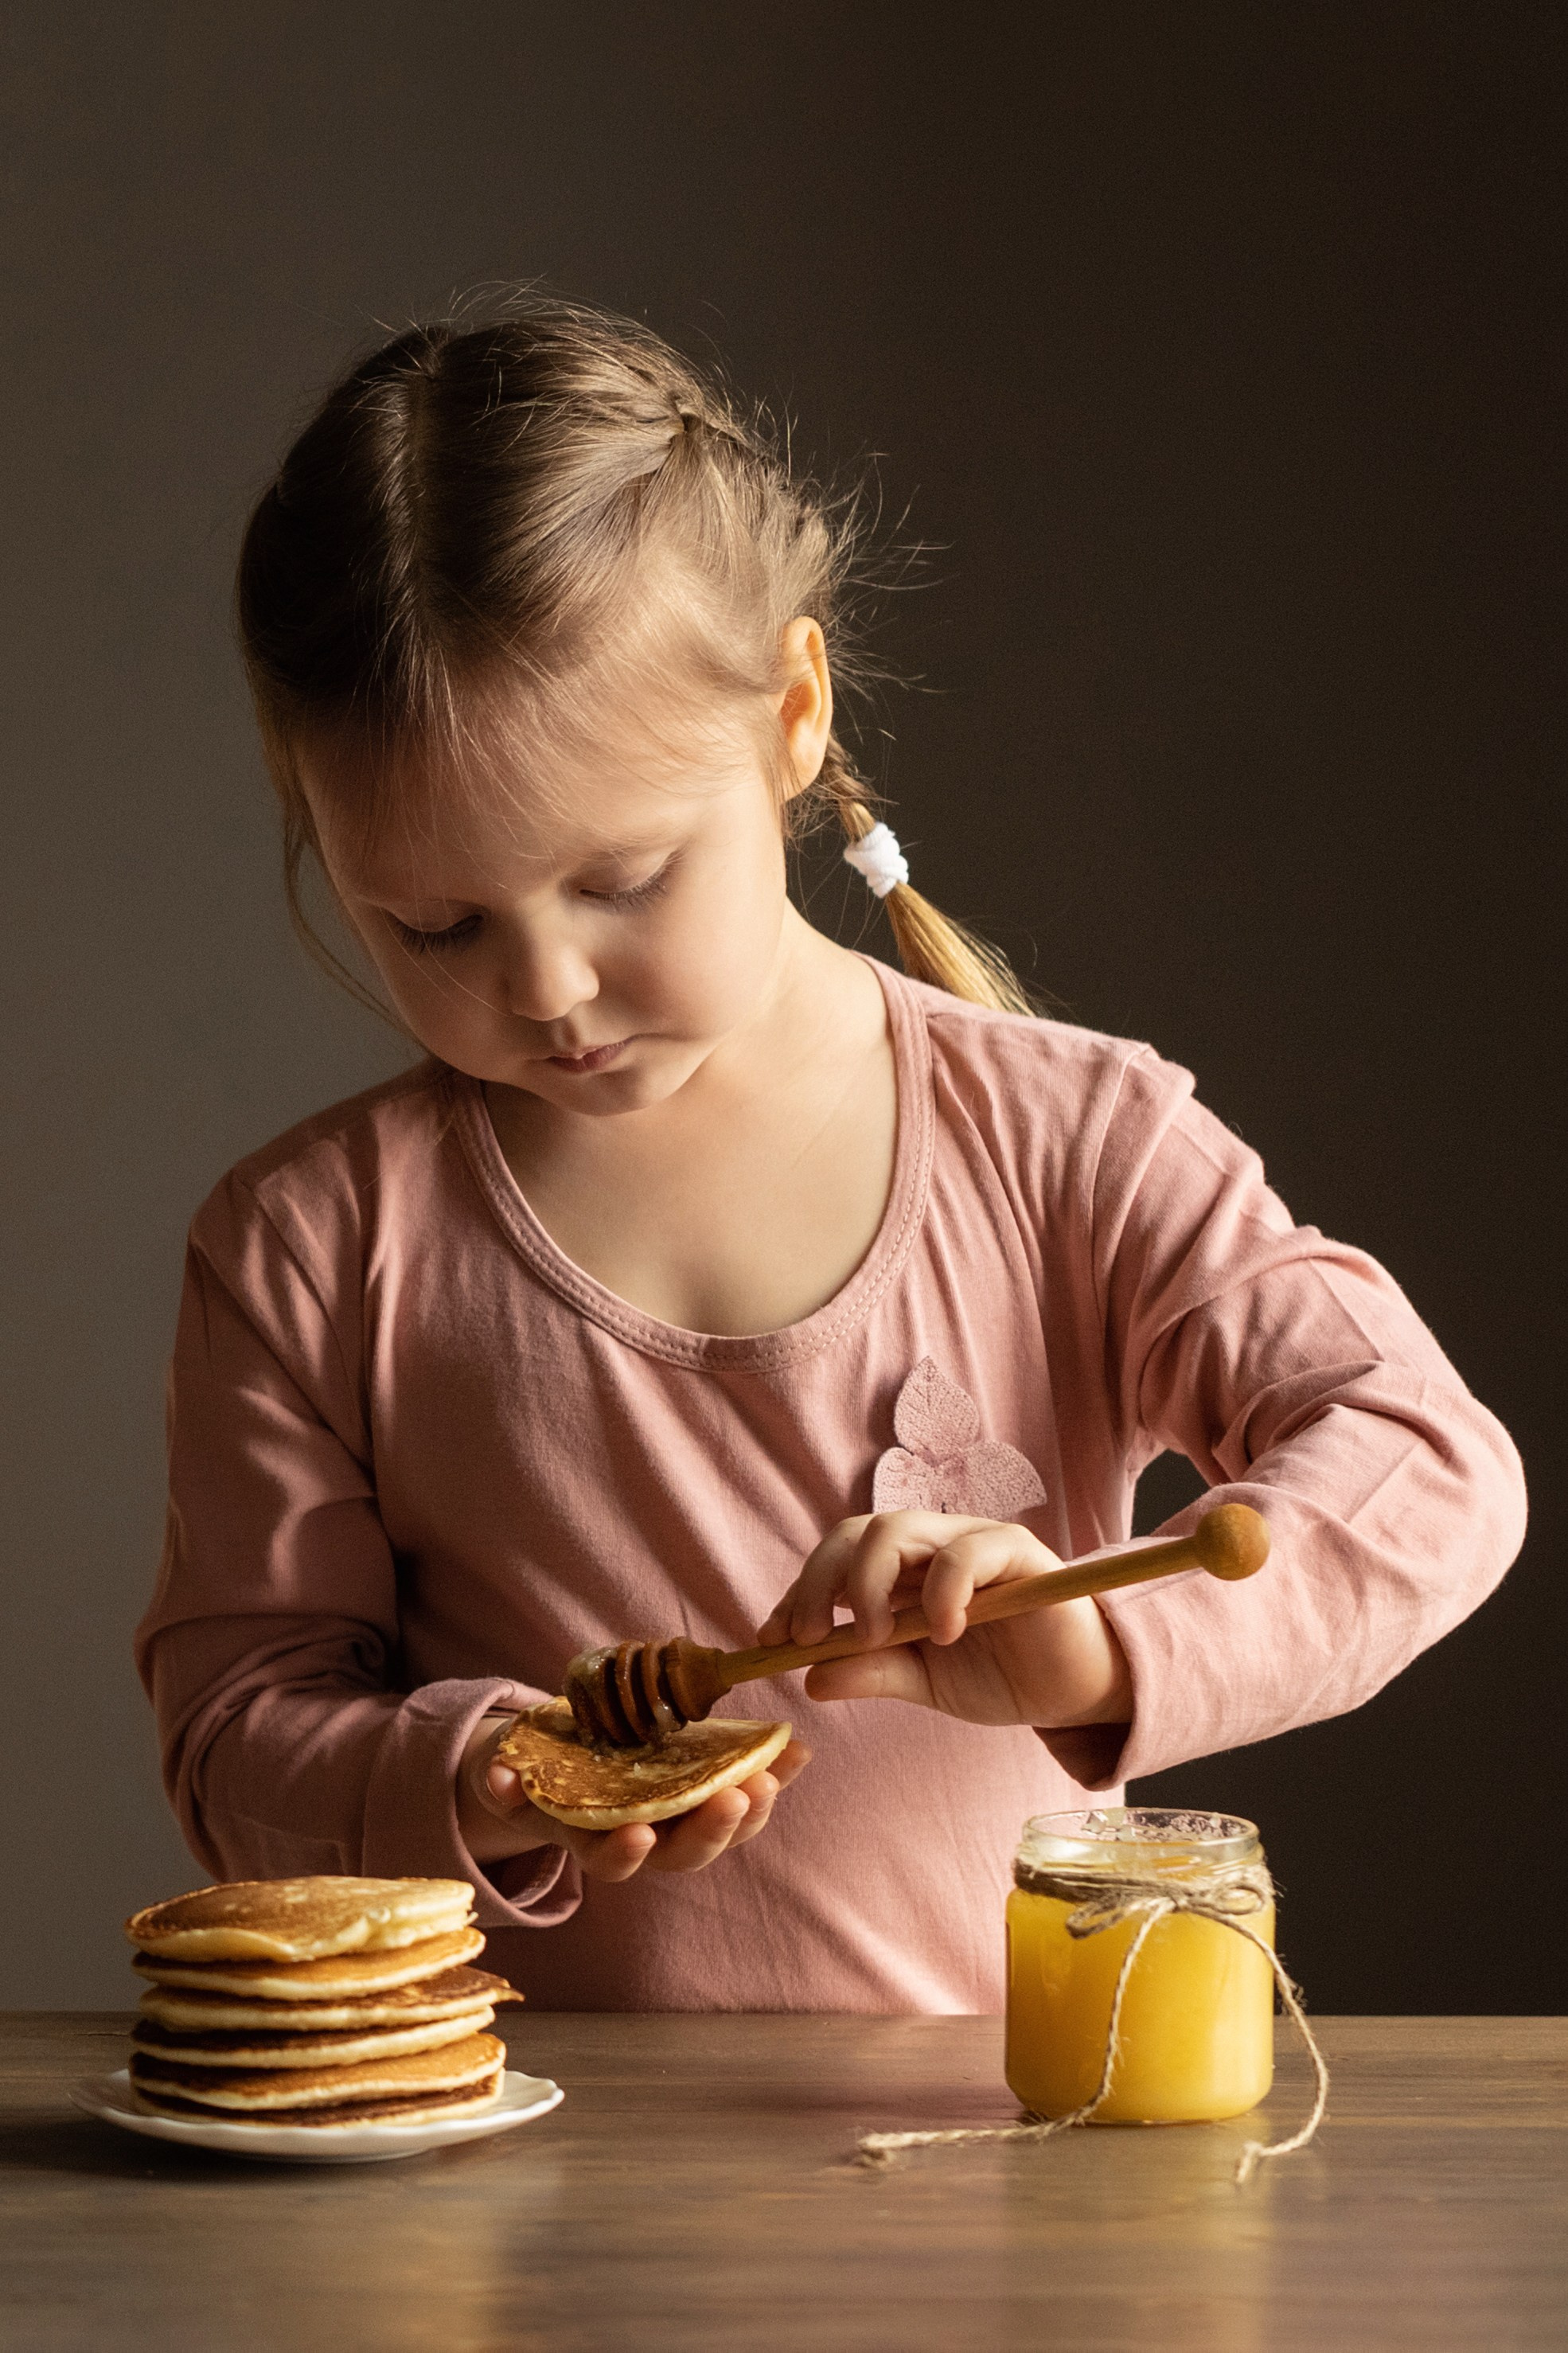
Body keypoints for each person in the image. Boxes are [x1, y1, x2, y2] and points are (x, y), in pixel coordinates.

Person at [136, 298, 1525, 2012]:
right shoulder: (306, 1244)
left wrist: (1092, 1641)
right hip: (511, 2217)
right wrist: (484, 1775)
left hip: (1019, 2167)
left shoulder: (1067, 1136)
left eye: (625, 881)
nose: (548, 987)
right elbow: (236, 1725)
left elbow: (1428, 1462)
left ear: (791, 715)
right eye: (434, 925)